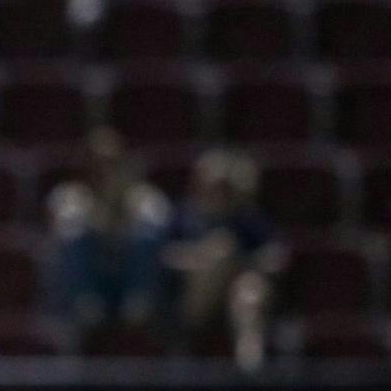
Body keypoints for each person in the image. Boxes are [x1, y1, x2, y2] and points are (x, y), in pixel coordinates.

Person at [163, 149, 283, 373]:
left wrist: (236, 260)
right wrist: (203, 257)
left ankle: (250, 369)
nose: (218, 192)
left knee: (250, 290)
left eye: (223, 186)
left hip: (234, 295)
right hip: (194, 298)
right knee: (218, 254)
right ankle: (184, 353)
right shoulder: (184, 216)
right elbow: (165, 256)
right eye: (212, 185)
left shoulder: (246, 218)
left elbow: (275, 257)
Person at [48, 127, 171, 335]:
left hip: (128, 275)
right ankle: (87, 307)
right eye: (97, 164)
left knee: (146, 238)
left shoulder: (143, 195)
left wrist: (122, 201)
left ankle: (139, 306)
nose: (105, 170)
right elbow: (63, 230)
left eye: (112, 163)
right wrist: (105, 207)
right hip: (91, 278)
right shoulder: (70, 194)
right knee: (75, 237)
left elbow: (160, 225)